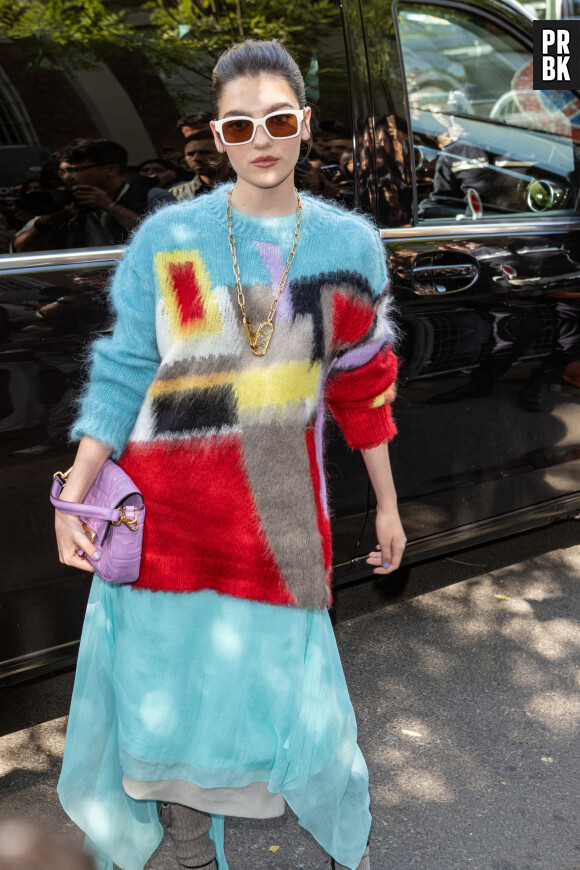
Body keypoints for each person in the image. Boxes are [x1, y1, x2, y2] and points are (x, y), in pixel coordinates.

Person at [55, 39, 405, 870]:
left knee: (304, 721)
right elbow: (127, 366)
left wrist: (387, 504)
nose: (262, 138)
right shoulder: (169, 235)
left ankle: (333, 848)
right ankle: (191, 860)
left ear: (305, 126)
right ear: (216, 136)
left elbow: (364, 385)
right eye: (241, 124)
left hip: (280, 520)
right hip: (163, 521)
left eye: (279, 120)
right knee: (164, 717)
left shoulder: (349, 246)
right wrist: (77, 489)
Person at [12, 140, 175, 252]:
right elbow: (19, 250)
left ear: (111, 169)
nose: (67, 177)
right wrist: (46, 222)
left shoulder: (154, 197)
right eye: (63, 171)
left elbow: (170, 240)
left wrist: (110, 207)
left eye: (75, 170)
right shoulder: (61, 201)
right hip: (79, 290)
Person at [170, 130, 231, 200]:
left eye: (205, 153)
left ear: (226, 154)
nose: (196, 158)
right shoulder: (176, 194)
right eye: (190, 154)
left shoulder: (245, 184)